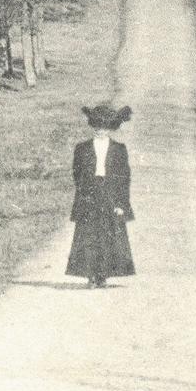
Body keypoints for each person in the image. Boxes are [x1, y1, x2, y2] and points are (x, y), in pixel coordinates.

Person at [67, 104, 135, 287]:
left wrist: (121, 203)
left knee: (108, 234)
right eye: (96, 125)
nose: (99, 129)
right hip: (89, 192)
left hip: (110, 193)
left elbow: (124, 177)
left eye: (104, 126)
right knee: (88, 235)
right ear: (92, 125)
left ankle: (103, 274)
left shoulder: (119, 149)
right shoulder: (82, 148)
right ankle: (90, 275)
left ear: (110, 127)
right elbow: (77, 172)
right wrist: (84, 191)